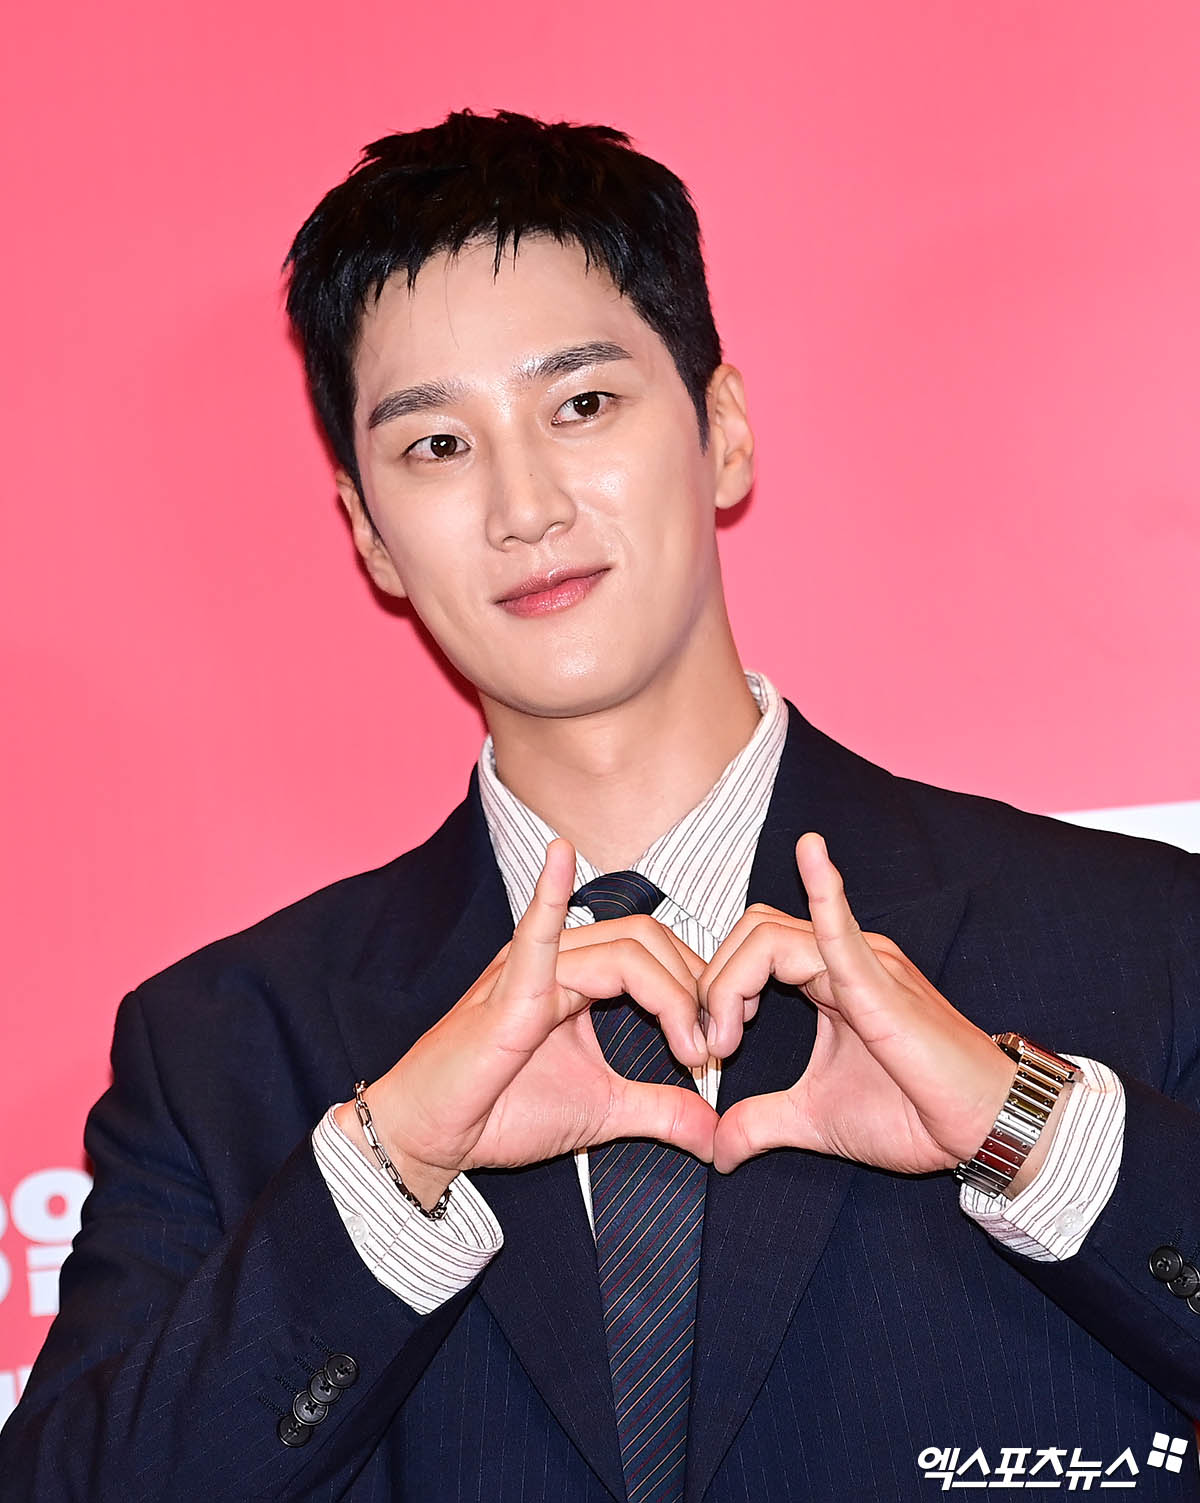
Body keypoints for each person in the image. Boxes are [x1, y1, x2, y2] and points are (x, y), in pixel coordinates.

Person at [2, 108, 1199, 1503]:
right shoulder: (221, 1051)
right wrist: (390, 1173)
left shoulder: (1141, 943)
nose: (524, 507)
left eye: (581, 405)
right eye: (436, 445)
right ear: (369, 533)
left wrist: (1027, 1129)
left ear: (723, 432)